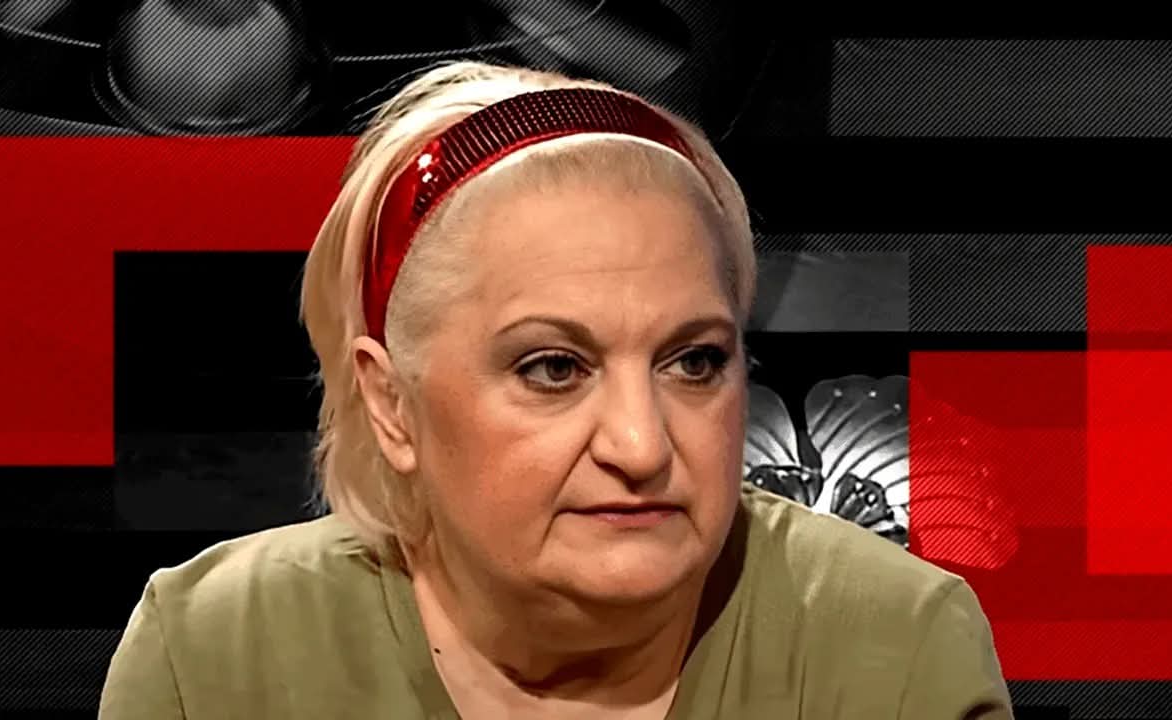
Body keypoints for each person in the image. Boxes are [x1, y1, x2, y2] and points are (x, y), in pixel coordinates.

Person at [98, 60, 1014, 719]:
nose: (641, 445)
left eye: (694, 362)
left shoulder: (894, 652)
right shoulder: (215, 657)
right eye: (554, 369)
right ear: (391, 405)